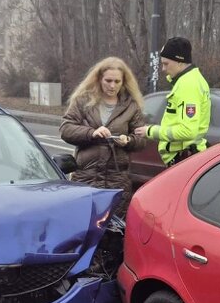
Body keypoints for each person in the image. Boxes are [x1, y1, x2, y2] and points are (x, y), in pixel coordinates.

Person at [59, 56, 148, 215]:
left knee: (113, 232)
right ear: (99, 79)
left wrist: (128, 141)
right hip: (87, 177)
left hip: (116, 179)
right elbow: (66, 129)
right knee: (83, 226)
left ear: (123, 82)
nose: (112, 86)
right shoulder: (83, 101)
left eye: (117, 81)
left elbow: (141, 139)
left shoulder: (131, 106)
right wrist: (91, 133)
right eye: (108, 80)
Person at [135, 36, 211, 166]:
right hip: (187, 156)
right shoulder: (190, 80)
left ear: (179, 62)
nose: (163, 69)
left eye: (166, 64)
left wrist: (150, 131)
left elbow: (188, 131)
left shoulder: (188, 85)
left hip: (184, 158)